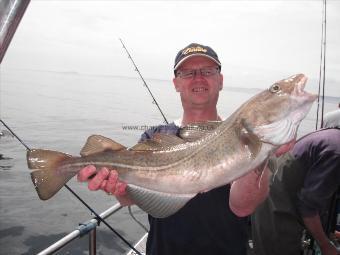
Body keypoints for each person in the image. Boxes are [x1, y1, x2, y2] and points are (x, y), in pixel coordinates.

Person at [77, 43, 291, 255]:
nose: (198, 78)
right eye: (188, 73)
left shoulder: (242, 135)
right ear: (176, 83)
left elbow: (244, 205)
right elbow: (128, 198)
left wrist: (260, 152)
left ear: (220, 80)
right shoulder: (155, 137)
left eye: (207, 71)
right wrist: (116, 187)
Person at [252, 124, 340, 255]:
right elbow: (308, 208)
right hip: (275, 205)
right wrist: (325, 245)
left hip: (280, 191)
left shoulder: (334, 137)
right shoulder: (336, 153)